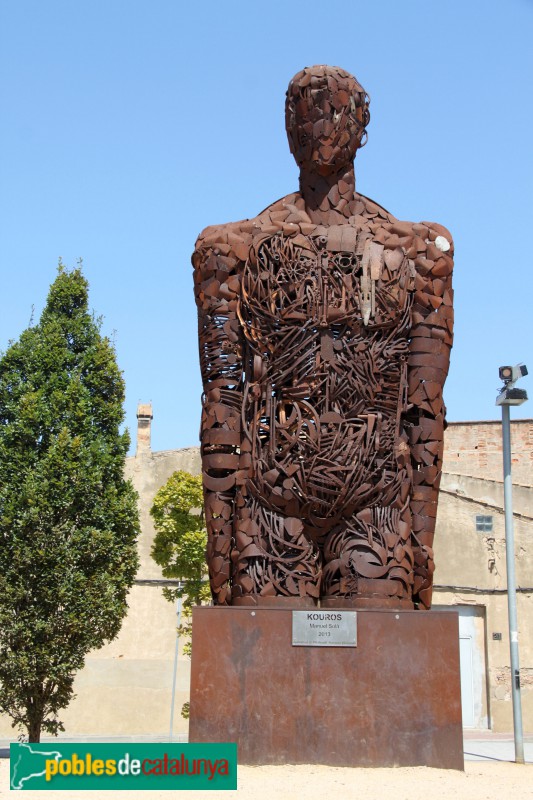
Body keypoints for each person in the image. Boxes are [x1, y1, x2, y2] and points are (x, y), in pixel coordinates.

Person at [192, 65, 454, 610]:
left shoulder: (417, 254)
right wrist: (221, 554)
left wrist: (420, 550)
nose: (320, 125)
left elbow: (424, 414)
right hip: (270, 505)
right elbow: (222, 404)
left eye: (335, 111)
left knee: (380, 645)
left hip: (375, 506)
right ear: (288, 129)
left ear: (362, 126)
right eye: (304, 113)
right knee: (262, 650)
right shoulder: (232, 251)